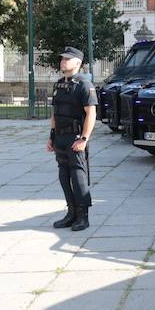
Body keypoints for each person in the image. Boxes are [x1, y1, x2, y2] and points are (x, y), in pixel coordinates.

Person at [48, 46, 96, 232]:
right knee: (63, 175)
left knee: (78, 176)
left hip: (76, 137)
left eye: (67, 59)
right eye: (62, 59)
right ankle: (71, 213)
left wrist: (84, 138)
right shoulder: (59, 84)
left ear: (77, 63)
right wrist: (51, 137)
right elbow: (55, 113)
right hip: (60, 136)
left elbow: (91, 113)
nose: (63, 61)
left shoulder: (84, 84)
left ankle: (83, 216)